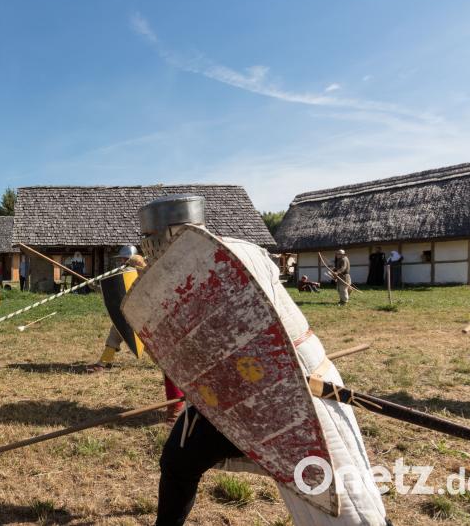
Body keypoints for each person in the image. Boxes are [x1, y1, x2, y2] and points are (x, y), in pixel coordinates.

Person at [136, 194, 389, 526]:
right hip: (237, 387)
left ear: (167, 234)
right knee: (179, 459)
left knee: (343, 503)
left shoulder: (218, 259)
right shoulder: (245, 248)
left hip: (293, 382)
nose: (147, 250)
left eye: (149, 241)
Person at [87, 245, 145, 374]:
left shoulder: (127, 272)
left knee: (115, 336)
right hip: (141, 311)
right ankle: (103, 363)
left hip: (129, 313)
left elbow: (114, 290)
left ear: (127, 259)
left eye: (123, 259)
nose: (121, 261)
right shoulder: (143, 271)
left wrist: (95, 286)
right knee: (145, 338)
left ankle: (102, 364)